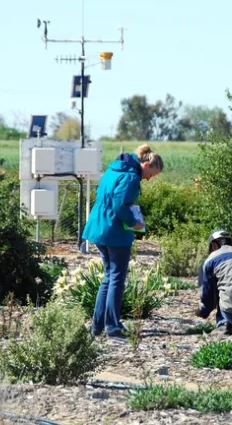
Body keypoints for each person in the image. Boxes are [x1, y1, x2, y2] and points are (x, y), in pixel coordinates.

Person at [83, 144, 163, 338]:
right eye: (152, 173)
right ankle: (113, 327)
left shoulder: (114, 169)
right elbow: (120, 205)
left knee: (109, 277)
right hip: (114, 230)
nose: (150, 178)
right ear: (146, 163)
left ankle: (98, 326)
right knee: (117, 278)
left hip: (98, 226)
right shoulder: (131, 176)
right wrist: (134, 222)